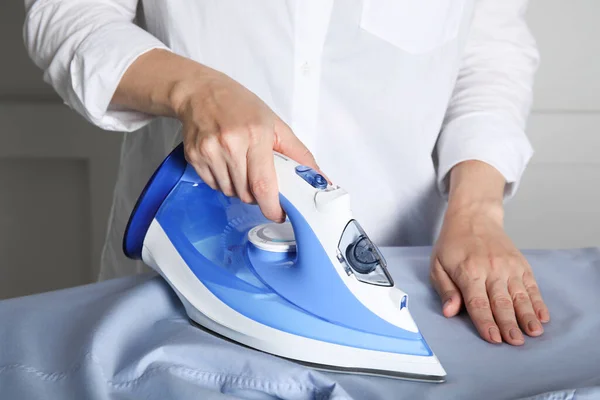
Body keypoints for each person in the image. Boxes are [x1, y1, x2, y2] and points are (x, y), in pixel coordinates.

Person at [23, 0, 549, 346]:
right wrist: (197, 91)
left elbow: (490, 54)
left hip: (402, 255)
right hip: (184, 261)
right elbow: (66, 13)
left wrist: (476, 210)